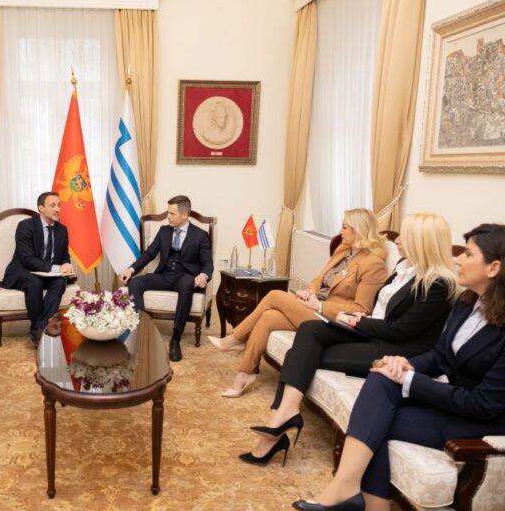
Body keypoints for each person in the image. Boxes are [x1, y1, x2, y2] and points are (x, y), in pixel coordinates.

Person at [292, 223, 505, 511]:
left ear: (493, 268)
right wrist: (404, 364)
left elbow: (483, 404)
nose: (457, 259)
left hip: (482, 421)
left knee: (377, 419)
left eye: (468, 254)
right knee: (381, 378)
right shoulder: (467, 303)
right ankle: (353, 491)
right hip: (456, 404)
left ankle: (353, 494)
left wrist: (410, 380)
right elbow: (440, 356)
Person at [240, 213, 458, 467]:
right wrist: (357, 319)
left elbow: (400, 330)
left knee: (296, 355)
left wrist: (356, 320)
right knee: (309, 330)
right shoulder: (403, 268)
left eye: (405, 237)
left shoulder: (438, 284)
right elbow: (381, 312)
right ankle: (285, 415)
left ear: (423, 242)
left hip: (396, 349)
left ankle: (276, 426)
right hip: (372, 331)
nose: (397, 241)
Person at [210, 208, 388, 397]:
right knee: (268, 317)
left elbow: (361, 309)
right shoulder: (343, 251)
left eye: (345, 227)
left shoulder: (373, 264)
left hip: (332, 321)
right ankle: (244, 375)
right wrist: (309, 292)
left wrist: (319, 306)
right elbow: (319, 279)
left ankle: (236, 338)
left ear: (359, 230)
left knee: (274, 295)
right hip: (314, 307)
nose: (340, 231)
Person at [118, 195, 214, 362]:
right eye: (168, 212)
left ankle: (176, 338)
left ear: (185, 215)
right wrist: (131, 269)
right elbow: (149, 254)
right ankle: (142, 332)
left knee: (187, 284)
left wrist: (203, 275)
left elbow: (208, 263)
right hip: (164, 275)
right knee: (135, 282)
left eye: (172, 213)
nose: (167, 216)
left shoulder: (200, 235)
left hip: (185, 277)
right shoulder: (164, 231)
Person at [1, 191, 74, 345]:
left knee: (60, 282)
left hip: (48, 274)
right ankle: (41, 329)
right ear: (41, 208)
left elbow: (64, 256)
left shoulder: (62, 230)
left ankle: (38, 329)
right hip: (24, 271)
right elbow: (27, 259)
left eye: (59, 205)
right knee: (34, 282)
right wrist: (57, 268)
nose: (58, 209)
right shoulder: (25, 226)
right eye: (53, 205)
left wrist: (67, 266)